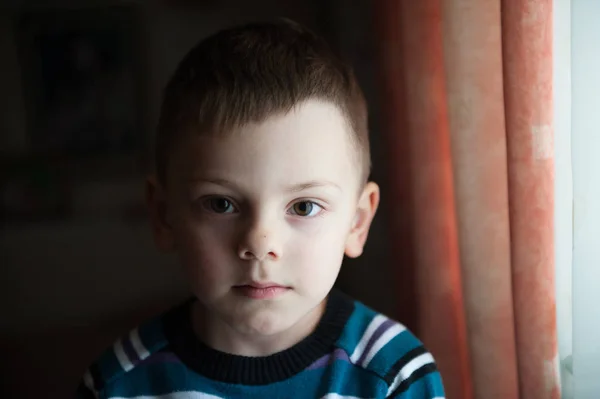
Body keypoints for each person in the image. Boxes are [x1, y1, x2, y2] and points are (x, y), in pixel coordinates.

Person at [76, 19, 445, 399]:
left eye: (303, 206)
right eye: (221, 204)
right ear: (164, 214)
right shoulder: (118, 384)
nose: (260, 242)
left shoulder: (394, 374)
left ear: (357, 221)